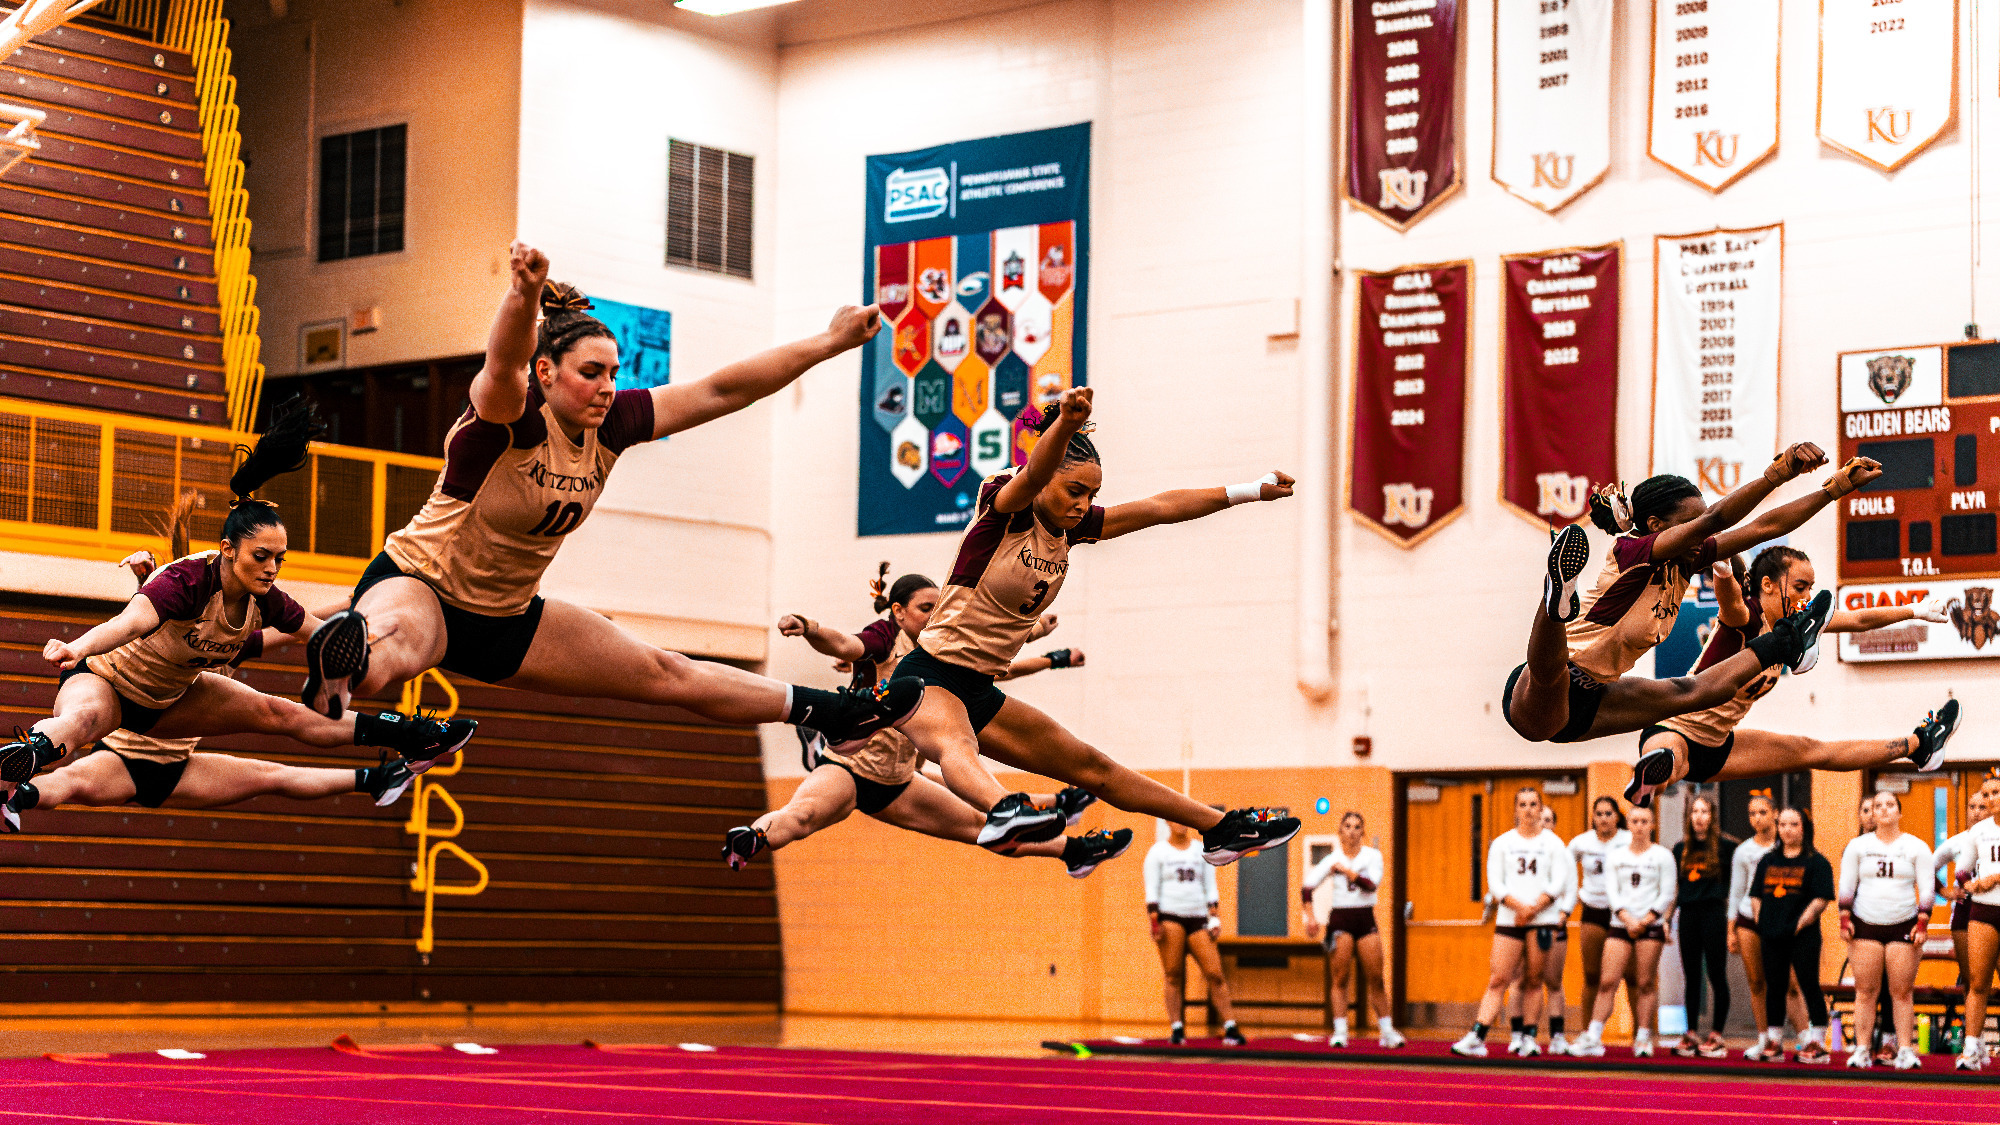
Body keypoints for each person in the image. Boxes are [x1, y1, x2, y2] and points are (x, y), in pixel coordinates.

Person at [297, 246, 923, 758]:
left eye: (614, 373)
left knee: (666, 672)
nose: (607, 387)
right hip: (423, 582)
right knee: (398, 644)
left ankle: (834, 712)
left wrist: (831, 341)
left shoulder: (615, 423)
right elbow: (502, 362)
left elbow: (723, 389)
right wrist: (522, 295)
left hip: (507, 616)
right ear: (546, 372)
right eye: (591, 372)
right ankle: (343, 674)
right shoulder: (510, 417)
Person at [889, 386, 1299, 862]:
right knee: (957, 743)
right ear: (1044, 479)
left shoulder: (1070, 528)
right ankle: (1004, 810)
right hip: (930, 674)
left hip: (977, 687)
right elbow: (1035, 471)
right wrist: (1066, 423)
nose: (1084, 504)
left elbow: (1158, 508)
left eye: (1092, 494)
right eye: (1074, 491)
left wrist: (1249, 491)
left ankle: (1221, 828)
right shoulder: (1006, 510)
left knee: (1094, 766)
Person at [0, 403, 474, 812]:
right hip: (109, 685)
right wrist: (76, 647)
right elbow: (128, 624)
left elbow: (318, 633)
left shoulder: (264, 602)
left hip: (167, 708)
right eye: (262, 557)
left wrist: (374, 630)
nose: (272, 568)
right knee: (81, 723)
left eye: (280, 559)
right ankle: (32, 754)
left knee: (280, 714)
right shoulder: (186, 581)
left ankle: (414, 736)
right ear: (228, 549)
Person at [722, 568, 1126, 878]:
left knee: (984, 826)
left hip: (899, 781)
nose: (934, 617)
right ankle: (753, 837)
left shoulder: (941, 648)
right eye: (924, 609)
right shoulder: (885, 638)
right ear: (898, 612)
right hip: (849, 769)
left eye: (939, 609)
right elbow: (845, 644)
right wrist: (808, 626)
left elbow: (998, 666)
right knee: (803, 815)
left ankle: (1075, 851)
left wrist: (1041, 641)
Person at [1505, 447, 1873, 745]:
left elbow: (1766, 527)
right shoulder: (1635, 551)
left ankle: (1786, 640)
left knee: (1698, 692)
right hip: (1546, 684)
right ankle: (1555, 603)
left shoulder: (1688, 560)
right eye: (1690, 526)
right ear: (1656, 526)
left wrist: (1835, 488)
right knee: (1549, 683)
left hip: (1597, 695)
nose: (1701, 536)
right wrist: (1777, 473)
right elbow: (1715, 519)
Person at [1624, 547, 1960, 807]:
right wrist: (1722, 567)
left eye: (1810, 588)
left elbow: (1859, 621)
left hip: (1719, 743)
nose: (1807, 597)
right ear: (1767, 585)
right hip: (1676, 729)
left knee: (1812, 751)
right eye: (1800, 587)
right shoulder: (1746, 617)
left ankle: (1920, 745)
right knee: (1673, 758)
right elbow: (1729, 600)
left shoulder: (1796, 630)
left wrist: (1916, 610)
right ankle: (1650, 782)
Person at [1452, 788, 1571, 1057]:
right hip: (1510, 919)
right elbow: (1496, 884)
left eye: (1533, 804)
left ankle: (1529, 1038)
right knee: (1498, 979)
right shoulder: (1502, 843)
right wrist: (1519, 908)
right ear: (1516, 809)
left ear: (1540, 808)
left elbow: (1558, 882)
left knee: (1534, 980)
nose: (1528, 810)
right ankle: (1477, 1036)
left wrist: (1534, 909)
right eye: (1523, 804)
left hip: (1542, 920)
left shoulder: (1553, 844)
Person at [1568, 805, 1675, 1058]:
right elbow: (1612, 892)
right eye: (1635, 821)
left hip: (1650, 925)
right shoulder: (1616, 857)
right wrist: (1627, 919)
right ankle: (1593, 1036)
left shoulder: (1662, 856)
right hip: (1621, 925)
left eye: (1644, 821)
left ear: (1652, 825)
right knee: (1607, 981)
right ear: (1628, 824)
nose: (1639, 826)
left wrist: (1646, 920)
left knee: (1645, 982)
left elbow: (1667, 893)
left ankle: (1643, 1038)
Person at [1837, 791, 1933, 1070]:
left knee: (1901, 992)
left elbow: (1927, 888)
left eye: (1890, 805)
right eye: (1878, 805)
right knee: (1865, 991)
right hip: (1865, 924)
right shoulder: (1858, 846)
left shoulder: (1916, 847)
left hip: (1903, 923)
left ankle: (1905, 1050)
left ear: (1899, 812)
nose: (1884, 809)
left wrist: (1922, 924)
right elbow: (1846, 885)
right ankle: (1862, 1049)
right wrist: (1844, 919)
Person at [1301, 811, 1404, 1049]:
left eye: (1357, 827)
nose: (1352, 831)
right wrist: (1311, 918)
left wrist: (1347, 871)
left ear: (1363, 832)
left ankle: (1387, 1031)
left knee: (1376, 977)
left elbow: (1371, 885)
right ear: (1340, 831)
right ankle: (1340, 1031)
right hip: (1340, 919)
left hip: (1365, 918)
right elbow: (1306, 888)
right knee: (1340, 977)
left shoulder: (1372, 856)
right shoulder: (1332, 859)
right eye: (1347, 826)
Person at [1145, 821, 1245, 1046]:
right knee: (1173, 974)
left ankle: (1230, 1026)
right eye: (1175, 819)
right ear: (1167, 822)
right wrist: (1154, 920)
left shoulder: (1200, 849)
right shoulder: (1157, 852)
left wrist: (1214, 917)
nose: (1180, 824)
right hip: (1170, 915)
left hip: (1198, 916)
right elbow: (1152, 888)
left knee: (1215, 973)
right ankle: (1177, 1028)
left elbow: (1210, 885)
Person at [1750, 807, 1836, 1063]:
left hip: (1803, 934)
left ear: (1804, 828)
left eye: (1793, 824)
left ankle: (1817, 1041)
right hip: (1771, 934)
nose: (1787, 830)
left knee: (1809, 985)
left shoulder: (1817, 862)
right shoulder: (1768, 860)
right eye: (1783, 825)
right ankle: (1774, 1041)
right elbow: (1756, 895)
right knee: (1775, 987)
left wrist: (1799, 924)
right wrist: (1762, 922)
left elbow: (1821, 899)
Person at [1732, 792, 1809, 1061]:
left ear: (1775, 814)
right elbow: (1736, 892)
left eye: (1763, 812)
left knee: (1789, 983)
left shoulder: (1787, 847)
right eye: (1752, 813)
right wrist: (1731, 929)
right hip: (1749, 918)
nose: (1757, 818)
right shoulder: (1743, 851)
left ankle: (1806, 1039)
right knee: (1757, 982)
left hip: (1780, 920)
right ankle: (1765, 1039)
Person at [1506, 804, 1576, 1055]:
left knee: (1554, 981)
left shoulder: (1562, 852)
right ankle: (1517, 1035)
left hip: (1552, 925)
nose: (1543, 823)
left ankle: (1557, 1036)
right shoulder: (1516, 849)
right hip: (1522, 924)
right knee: (1519, 980)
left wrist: (1562, 915)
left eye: (1548, 820)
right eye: (1540, 818)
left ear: (1554, 824)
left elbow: (1571, 889)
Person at [1670, 793, 1736, 1058]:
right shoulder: (1680, 849)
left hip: (1713, 913)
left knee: (1717, 975)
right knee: (1692, 976)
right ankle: (1691, 1032)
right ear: (1689, 817)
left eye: (1704, 812)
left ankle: (1717, 1033)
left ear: (1712, 817)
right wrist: (1667, 920)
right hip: (1688, 914)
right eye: (1695, 812)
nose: (1699, 817)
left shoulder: (1726, 847)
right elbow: (1675, 888)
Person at [1941, 786, 2000, 1071]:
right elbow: (1962, 870)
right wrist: (1969, 885)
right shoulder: (1979, 831)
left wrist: (1995, 877)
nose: (1990, 799)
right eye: (1986, 794)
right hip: (1983, 911)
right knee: (1976, 983)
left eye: (1996, 792)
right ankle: (1972, 1048)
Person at [1568, 795, 1629, 1052]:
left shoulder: (1627, 840)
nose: (1603, 818)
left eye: (1608, 813)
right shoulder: (1581, 843)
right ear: (1593, 817)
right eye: (1599, 814)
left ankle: (1642, 1036)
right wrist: (1569, 900)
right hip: (1593, 911)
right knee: (1592, 976)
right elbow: (1563, 869)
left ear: (1617, 816)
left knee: (1632, 978)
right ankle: (1587, 1035)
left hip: (1623, 914)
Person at [1943, 788, 1991, 988]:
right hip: (1965, 909)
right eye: (1972, 807)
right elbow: (1928, 867)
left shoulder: (1995, 837)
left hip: (1992, 906)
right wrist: (1944, 891)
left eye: (1982, 807)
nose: (1976, 812)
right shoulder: (1958, 841)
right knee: (1971, 979)